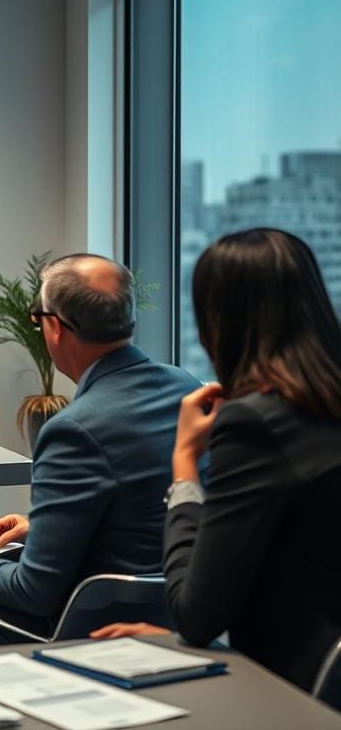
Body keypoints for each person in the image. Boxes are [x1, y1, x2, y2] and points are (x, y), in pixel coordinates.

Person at [0, 253, 201, 651]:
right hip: (165, 602)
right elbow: (141, 503)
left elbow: (35, 593)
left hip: (83, 619)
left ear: (54, 327)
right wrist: (44, 526)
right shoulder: (186, 387)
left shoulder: (73, 430)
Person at [158, 228, 341, 692]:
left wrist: (184, 463)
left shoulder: (254, 426)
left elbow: (194, 614)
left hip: (286, 689)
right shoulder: (325, 406)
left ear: (220, 322)